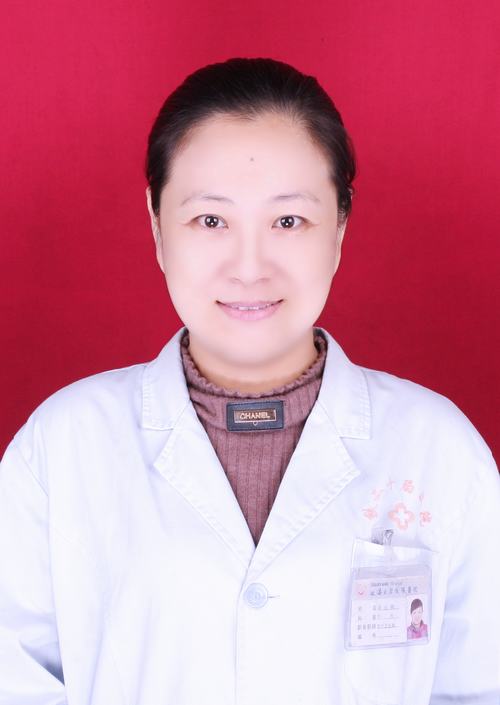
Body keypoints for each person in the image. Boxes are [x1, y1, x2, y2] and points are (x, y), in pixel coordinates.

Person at [0, 57, 499, 705]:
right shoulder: (60, 447)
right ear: (156, 224)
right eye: (211, 221)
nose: (249, 267)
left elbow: (480, 685)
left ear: (340, 227)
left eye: (288, 222)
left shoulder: (440, 449)